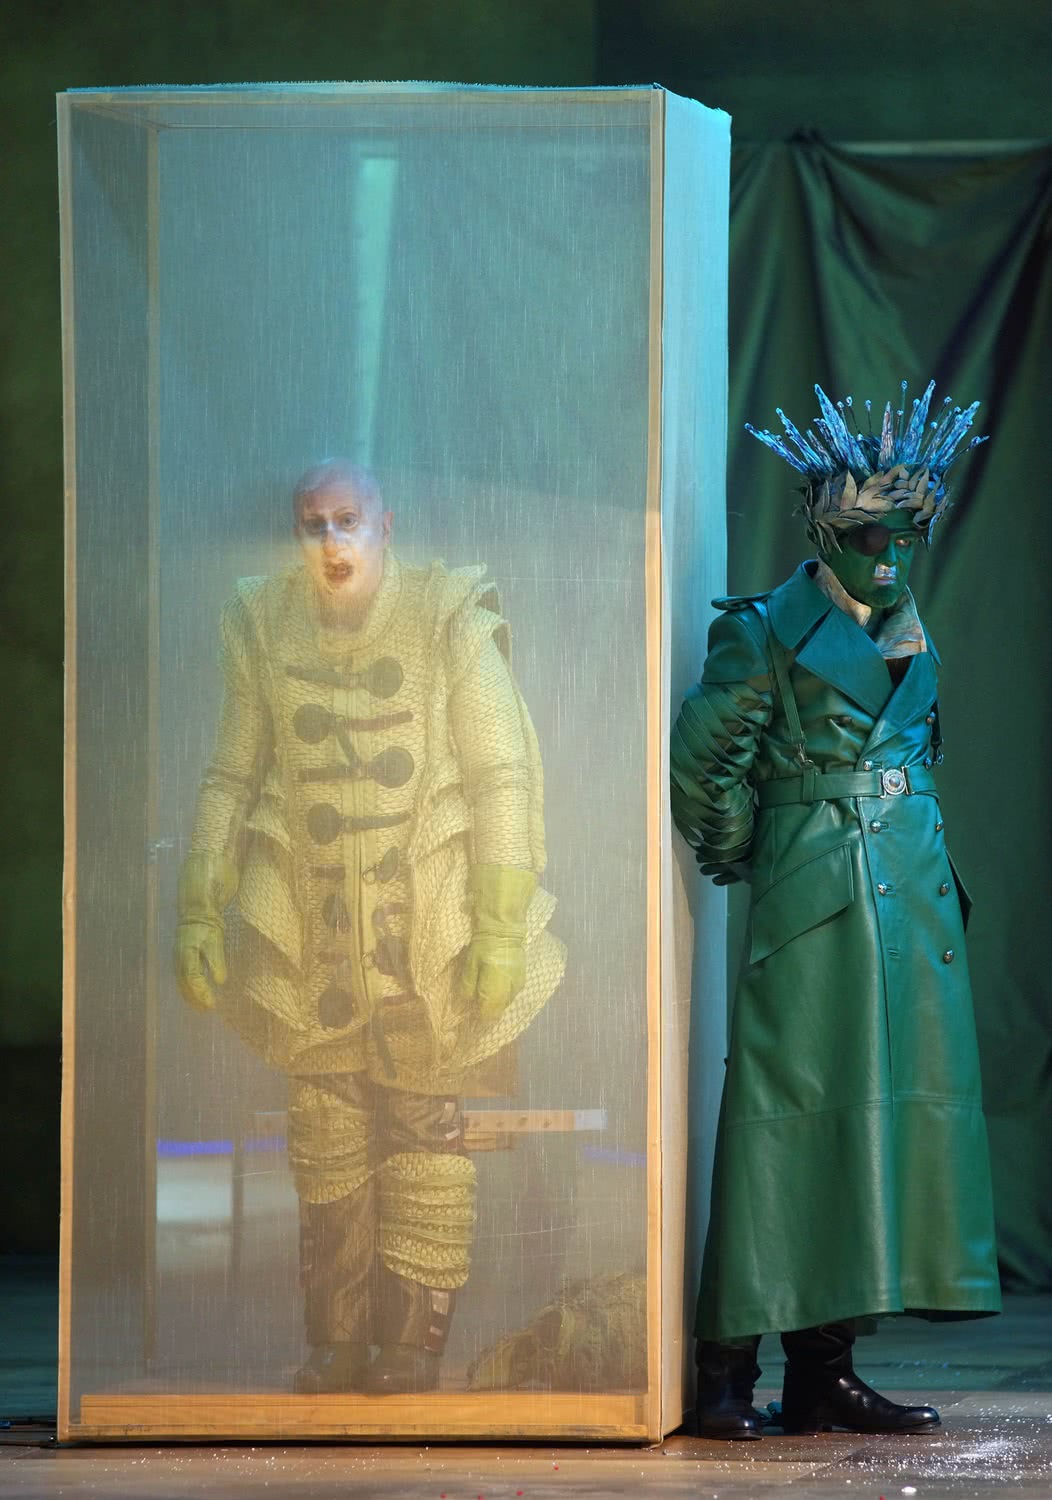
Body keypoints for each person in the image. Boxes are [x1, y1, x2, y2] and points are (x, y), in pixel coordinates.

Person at [175, 459, 565, 1394]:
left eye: (347, 520)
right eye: (313, 525)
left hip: (425, 932)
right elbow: (231, 772)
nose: (331, 541)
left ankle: (411, 1349)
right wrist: (199, 902)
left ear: (385, 525)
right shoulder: (264, 623)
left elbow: (501, 772)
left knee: (425, 1134)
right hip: (311, 933)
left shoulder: (445, 616)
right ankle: (335, 1342)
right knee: (325, 1137)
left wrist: (499, 926)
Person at [671, 383, 1001, 1439]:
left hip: (909, 902)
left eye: (907, 534)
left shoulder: (908, 624)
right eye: (868, 535)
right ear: (823, 529)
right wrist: (760, 856)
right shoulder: (766, 628)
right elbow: (704, 761)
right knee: (783, 1127)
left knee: (877, 1127)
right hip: (817, 901)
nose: (890, 554)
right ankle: (725, 1370)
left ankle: (824, 1369)